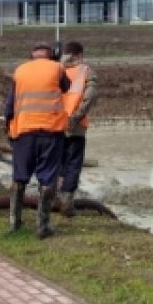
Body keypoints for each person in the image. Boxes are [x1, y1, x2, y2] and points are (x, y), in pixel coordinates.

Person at [4, 41, 70, 238]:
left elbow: (9, 106)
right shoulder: (57, 67)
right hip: (51, 132)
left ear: (31, 55)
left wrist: (8, 129)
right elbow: (67, 88)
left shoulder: (20, 71)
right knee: (48, 178)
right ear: (52, 55)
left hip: (24, 132)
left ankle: (14, 223)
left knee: (19, 177)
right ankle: (42, 227)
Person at [59, 40, 97, 216]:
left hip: (55, 125)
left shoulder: (56, 69)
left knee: (58, 163)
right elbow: (90, 97)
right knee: (73, 164)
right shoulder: (85, 71)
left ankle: (53, 199)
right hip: (75, 126)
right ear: (79, 55)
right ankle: (66, 204)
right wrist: (75, 117)